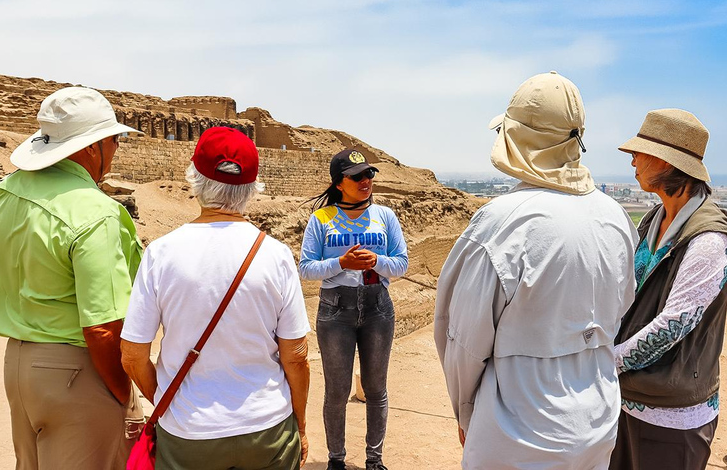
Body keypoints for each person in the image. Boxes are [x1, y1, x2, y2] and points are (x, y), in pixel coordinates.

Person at [434, 71, 638, 469]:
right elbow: (621, 308)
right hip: (597, 419)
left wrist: (465, 411)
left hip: (518, 430)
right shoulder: (615, 217)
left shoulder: (502, 222)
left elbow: (463, 341)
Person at [0, 87, 145, 469]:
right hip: (79, 373)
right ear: (91, 147)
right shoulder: (96, 212)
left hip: (18, 367)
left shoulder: (1, 193)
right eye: (114, 140)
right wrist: (122, 394)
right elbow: (102, 327)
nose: (116, 150)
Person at [120, 126, 311, 470]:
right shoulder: (276, 255)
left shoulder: (161, 253)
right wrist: (300, 422)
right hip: (266, 428)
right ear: (252, 188)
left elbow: (133, 355)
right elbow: (296, 356)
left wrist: (167, 403)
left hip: (188, 433)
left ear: (194, 179)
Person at [610, 109, 727, 470]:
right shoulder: (654, 219)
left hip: (672, 417)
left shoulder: (708, 239)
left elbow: (673, 325)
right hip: (627, 400)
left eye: (639, 152)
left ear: (664, 161)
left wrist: (601, 362)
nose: (631, 160)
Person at [299, 148, 408, 470]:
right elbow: (306, 268)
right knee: (337, 390)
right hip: (335, 311)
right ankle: (336, 460)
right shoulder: (321, 219)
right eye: (357, 176)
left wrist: (378, 261)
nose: (366, 181)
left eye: (369, 174)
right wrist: (341, 263)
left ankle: (375, 461)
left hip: (378, 308)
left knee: (376, 388)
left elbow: (401, 263)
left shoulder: (385, 216)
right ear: (339, 183)